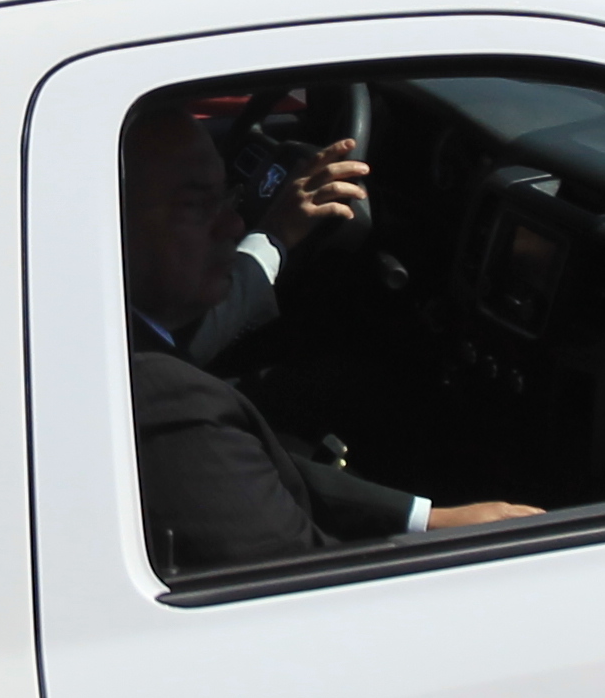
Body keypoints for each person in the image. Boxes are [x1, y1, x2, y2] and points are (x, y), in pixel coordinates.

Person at [119, 96, 528, 578]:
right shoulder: (164, 401)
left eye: (227, 197)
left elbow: (266, 463)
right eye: (193, 206)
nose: (233, 223)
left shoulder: (116, 337)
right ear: (105, 223)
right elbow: (309, 580)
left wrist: (425, 519)